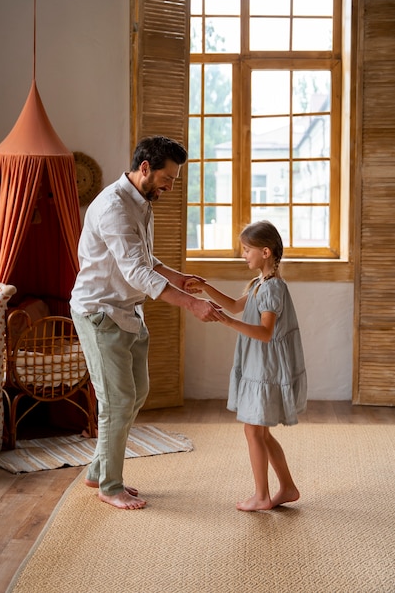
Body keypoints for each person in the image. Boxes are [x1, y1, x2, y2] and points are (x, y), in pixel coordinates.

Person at [70, 135, 222, 510]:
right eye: (168, 178)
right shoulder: (114, 208)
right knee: (117, 401)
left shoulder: (141, 202)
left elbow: (146, 260)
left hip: (128, 310)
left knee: (136, 393)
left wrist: (178, 277)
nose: (171, 186)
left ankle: (97, 471)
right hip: (100, 312)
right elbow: (137, 272)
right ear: (145, 169)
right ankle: (109, 485)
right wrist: (189, 303)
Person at [186, 220, 307, 511]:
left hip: (265, 369)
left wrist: (226, 322)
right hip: (257, 365)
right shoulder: (259, 284)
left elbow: (265, 332)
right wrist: (205, 288)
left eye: (246, 249)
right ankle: (287, 488)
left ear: (265, 252)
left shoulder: (273, 289)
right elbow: (236, 305)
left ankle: (262, 496)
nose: (243, 255)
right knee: (260, 432)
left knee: (254, 431)